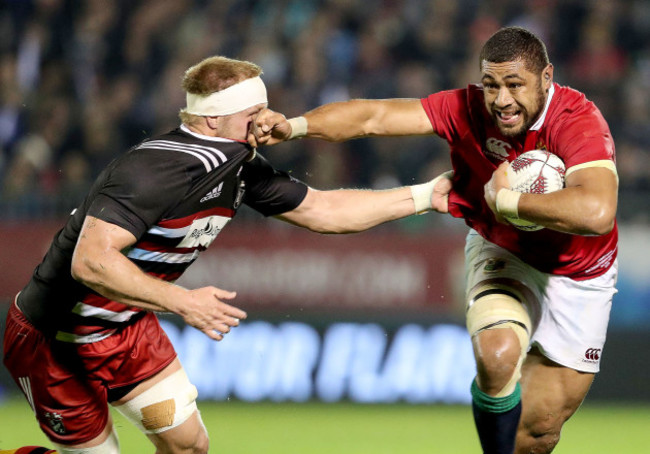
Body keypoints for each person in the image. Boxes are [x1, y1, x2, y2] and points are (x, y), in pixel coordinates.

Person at [2, 56, 450, 454]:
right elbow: (91, 262)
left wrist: (425, 195)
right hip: (55, 339)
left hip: (127, 329)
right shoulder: (156, 168)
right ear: (213, 121)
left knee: (189, 446)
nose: (266, 121)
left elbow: (323, 210)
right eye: (254, 112)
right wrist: (184, 302)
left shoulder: (238, 166)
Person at [251, 26, 618, 454]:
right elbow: (375, 117)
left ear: (546, 77)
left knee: (536, 435)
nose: (501, 100)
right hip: (504, 250)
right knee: (497, 356)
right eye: (491, 85)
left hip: (582, 275)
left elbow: (596, 213)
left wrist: (508, 201)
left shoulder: (577, 120)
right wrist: (294, 127)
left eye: (514, 85)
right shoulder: (463, 107)